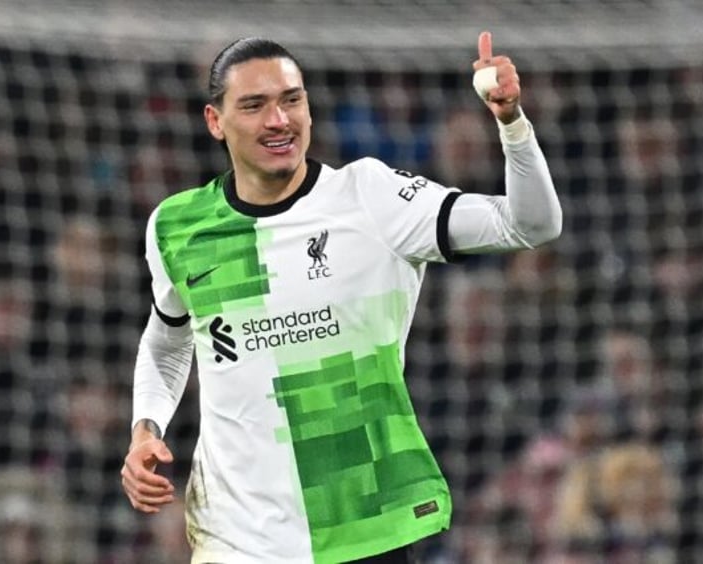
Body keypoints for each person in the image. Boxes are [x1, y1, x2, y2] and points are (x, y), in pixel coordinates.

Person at [121, 30, 562, 563]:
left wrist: (511, 123)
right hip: (237, 539)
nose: (279, 120)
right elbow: (167, 339)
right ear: (216, 122)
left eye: (292, 99)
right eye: (255, 105)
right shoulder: (176, 225)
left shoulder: (370, 198)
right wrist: (146, 428)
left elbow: (531, 225)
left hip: (365, 527)